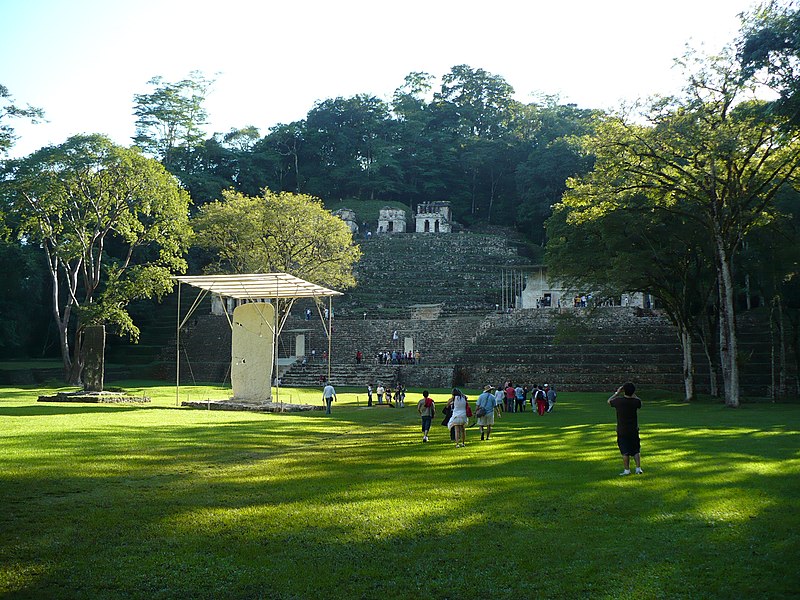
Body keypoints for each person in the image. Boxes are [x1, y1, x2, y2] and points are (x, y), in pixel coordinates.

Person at [607, 382, 644, 475]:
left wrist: (617, 393)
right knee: (636, 449)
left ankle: (627, 470)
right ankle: (638, 468)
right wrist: (633, 394)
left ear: (623, 391)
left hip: (622, 430)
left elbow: (609, 401)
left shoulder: (619, 401)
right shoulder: (635, 402)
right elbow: (640, 402)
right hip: (634, 429)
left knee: (625, 451)